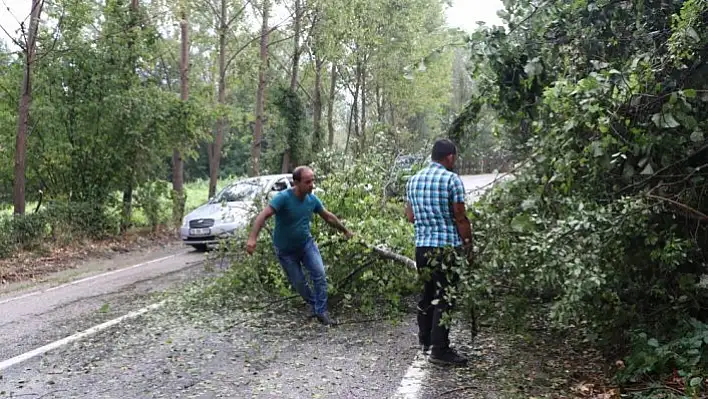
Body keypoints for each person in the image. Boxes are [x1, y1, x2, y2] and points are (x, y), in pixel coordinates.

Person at [246, 166, 353, 326]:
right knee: (299, 283)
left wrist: (346, 231)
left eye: (313, 181)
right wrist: (252, 238)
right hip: (285, 251)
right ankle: (313, 305)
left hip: (306, 245)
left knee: (319, 275)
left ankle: (321, 311)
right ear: (296, 183)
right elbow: (263, 215)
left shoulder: (312, 200)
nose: (312, 185)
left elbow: (328, 217)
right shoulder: (283, 198)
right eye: (308, 182)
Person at [405, 138, 473, 366]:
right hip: (446, 249)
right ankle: (440, 350)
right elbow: (460, 217)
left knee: (427, 293)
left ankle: (425, 340)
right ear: (450, 157)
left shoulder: (413, 180)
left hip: (422, 248)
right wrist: (468, 244)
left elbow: (411, 216)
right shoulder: (452, 180)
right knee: (445, 297)